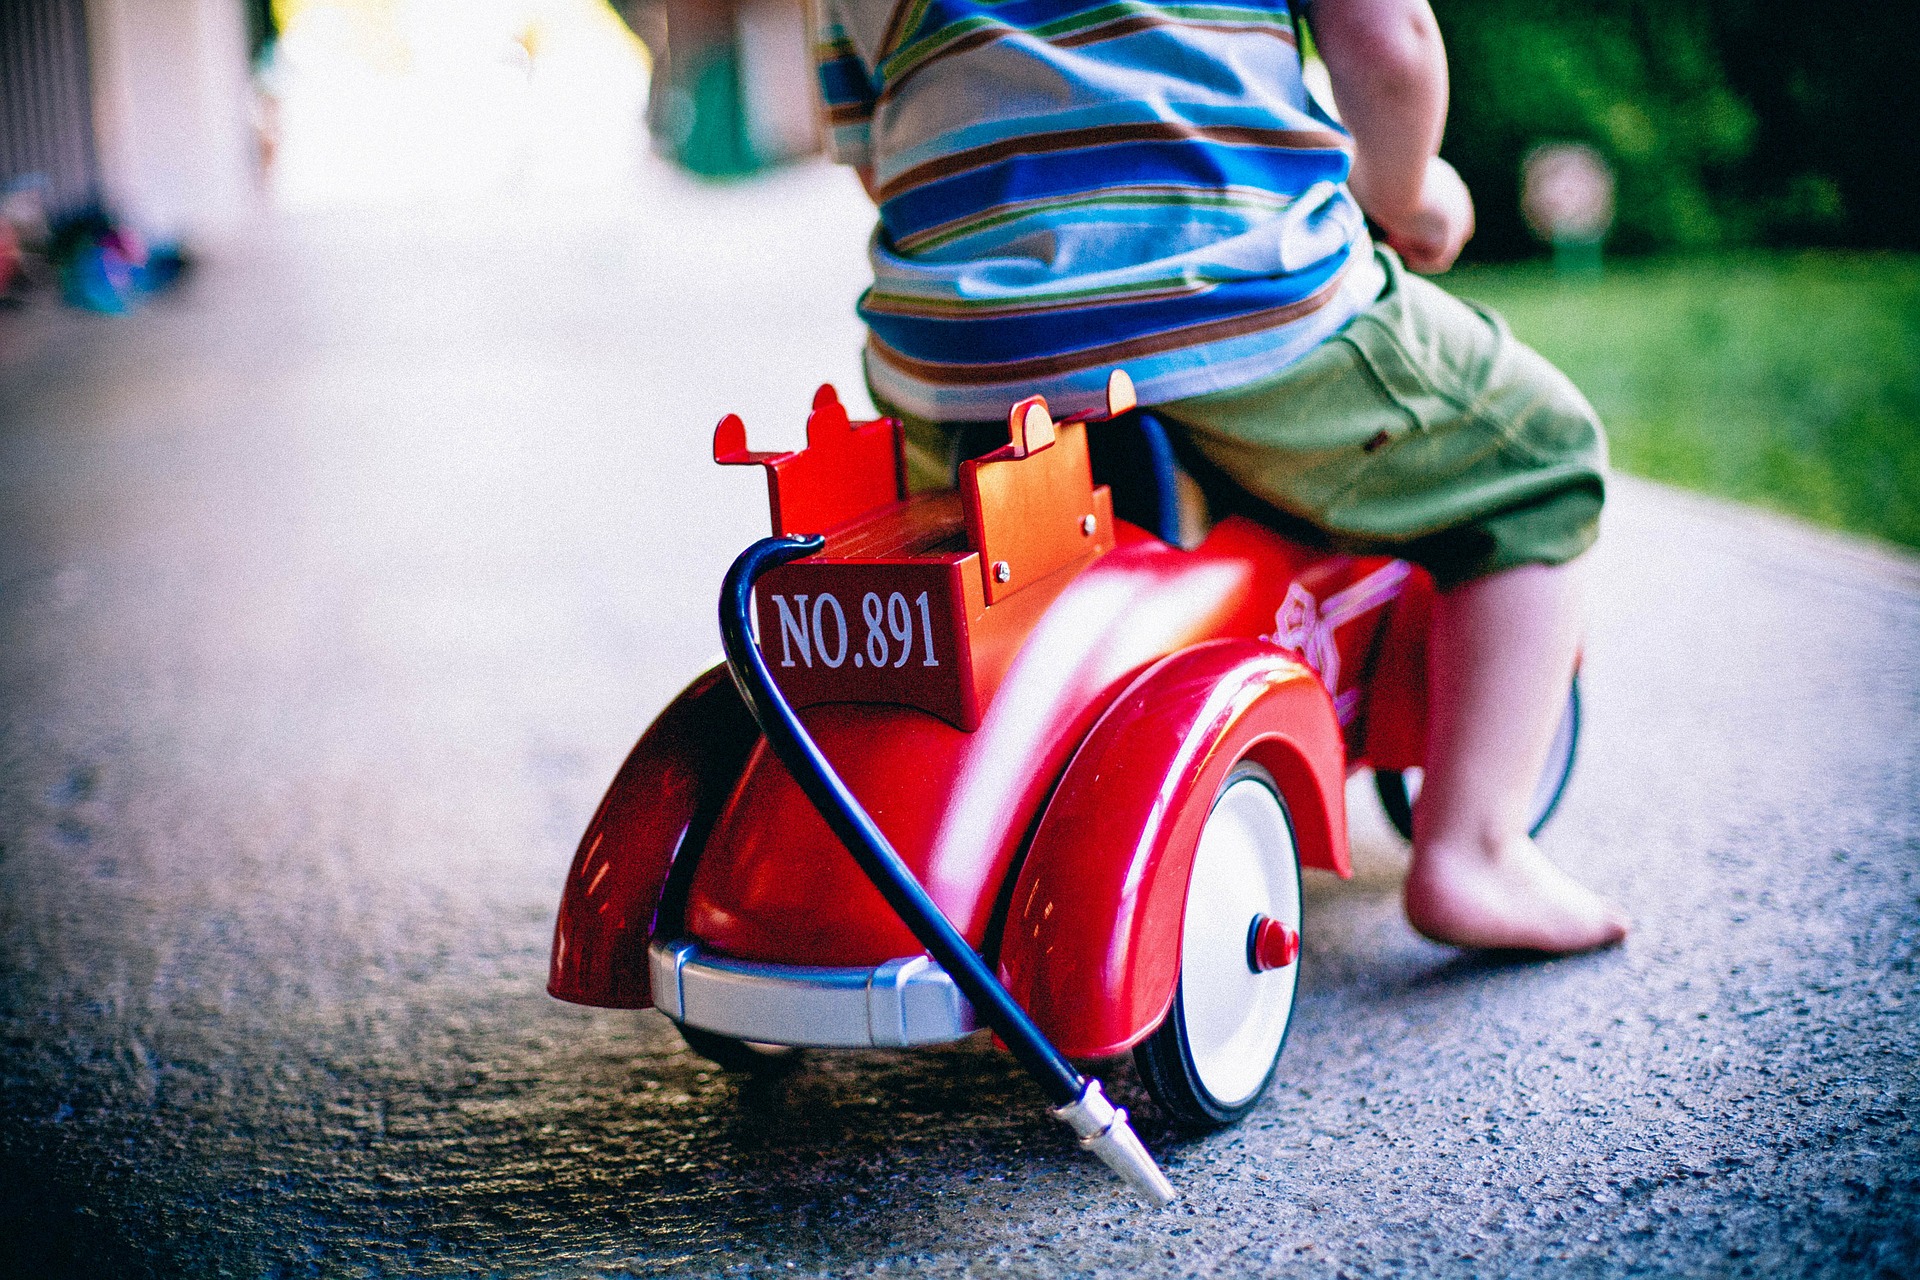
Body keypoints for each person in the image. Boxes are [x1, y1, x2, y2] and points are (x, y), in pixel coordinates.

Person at [810, 0, 1630, 952]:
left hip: (955, 360)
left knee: (977, 572)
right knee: (1543, 457)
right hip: (1231, 301)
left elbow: (876, 155)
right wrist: (1409, 195)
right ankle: (1477, 848)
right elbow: (1390, 39)